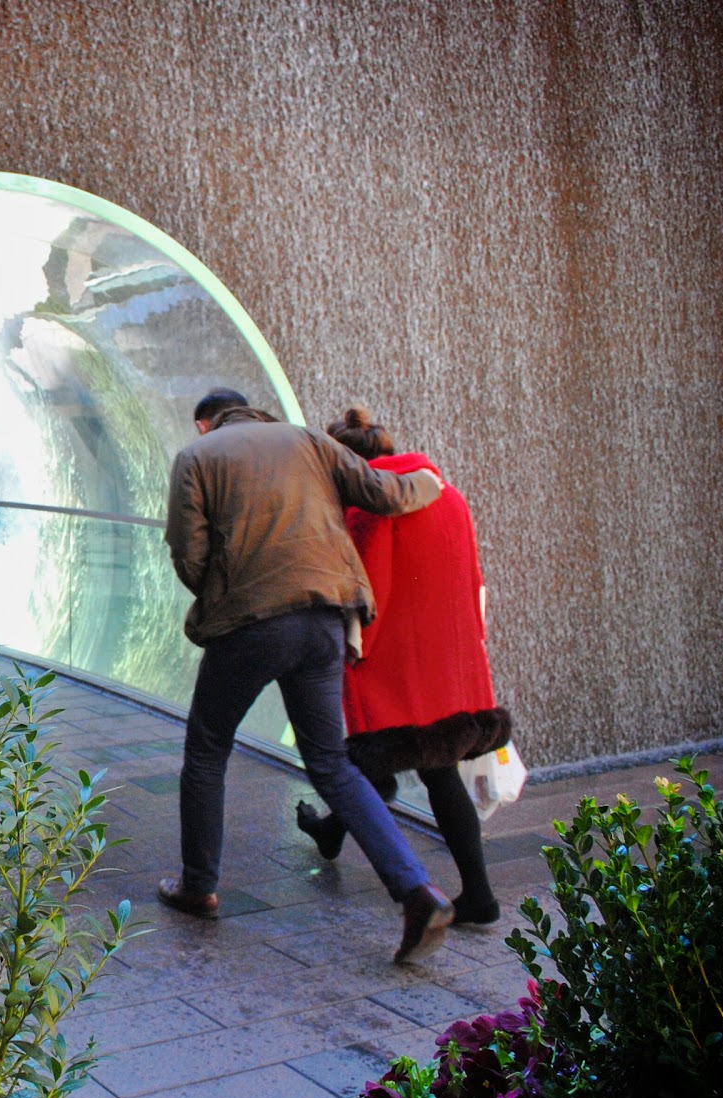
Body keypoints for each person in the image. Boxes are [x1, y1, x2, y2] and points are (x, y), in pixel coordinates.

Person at [159, 388, 456, 964]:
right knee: (331, 764)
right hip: (325, 617)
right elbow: (382, 492)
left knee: (207, 749)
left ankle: (199, 886)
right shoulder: (309, 440)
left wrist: (218, 594)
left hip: (251, 622)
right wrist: (431, 482)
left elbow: (187, 552)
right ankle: (416, 889)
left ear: (205, 424)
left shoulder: (199, 457)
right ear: (255, 411)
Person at [294, 407, 510, 926]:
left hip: (401, 659)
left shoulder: (375, 506)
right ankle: (332, 830)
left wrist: (350, 646)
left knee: (414, 763)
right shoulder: (447, 493)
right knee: (432, 763)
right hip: (449, 655)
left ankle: (476, 897)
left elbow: (368, 587)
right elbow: (472, 576)